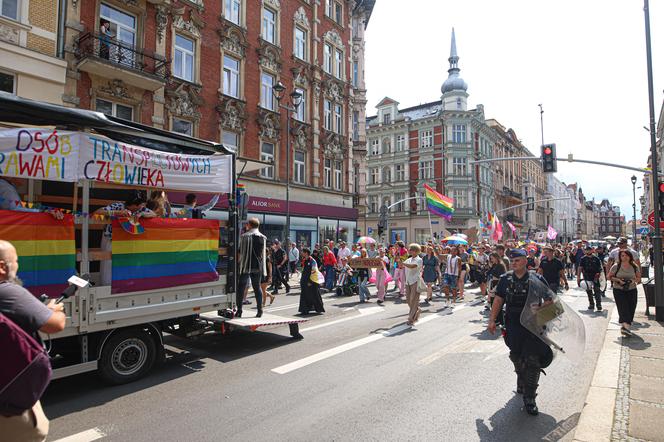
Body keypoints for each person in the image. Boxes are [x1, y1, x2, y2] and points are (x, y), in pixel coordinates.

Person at [0, 240, 66, 441]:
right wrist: (52, 311)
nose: (18, 265)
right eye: (16, 260)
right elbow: (55, 325)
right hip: (8, 407)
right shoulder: (8, 291)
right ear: (3, 267)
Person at [488, 248, 554, 416]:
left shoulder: (537, 279)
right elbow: (498, 299)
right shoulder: (505, 279)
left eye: (517, 260)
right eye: (512, 260)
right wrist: (492, 320)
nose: (513, 262)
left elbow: (550, 300)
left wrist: (540, 307)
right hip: (513, 324)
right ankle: (521, 377)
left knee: (532, 360)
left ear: (525, 261)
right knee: (516, 356)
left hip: (533, 325)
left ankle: (530, 397)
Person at [93, 191, 156, 286]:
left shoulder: (141, 209)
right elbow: (97, 212)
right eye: (140, 204)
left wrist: (144, 215)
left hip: (128, 240)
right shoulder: (118, 206)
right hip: (111, 239)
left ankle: (123, 285)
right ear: (134, 205)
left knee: (126, 263)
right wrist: (117, 212)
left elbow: (153, 214)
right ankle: (106, 285)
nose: (141, 206)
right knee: (108, 264)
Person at [236, 218, 267, 318]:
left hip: (245, 265)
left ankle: (239, 310)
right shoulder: (262, 237)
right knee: (257, 287)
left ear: (249, 225)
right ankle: (259, 310)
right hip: (257, 266)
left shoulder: (244, 237)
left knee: (241, 287)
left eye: (247, 224)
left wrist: (238, 263)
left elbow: (240, 253)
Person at [608, 250, 641, 336]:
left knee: (631, 308)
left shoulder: (634, 266)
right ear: (620, 257)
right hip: (619, 290)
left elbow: (638, 278)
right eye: (622, 256)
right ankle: (626, 327)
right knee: (623, 308)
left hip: (632, 289)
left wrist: (632, 281)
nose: (625, 257)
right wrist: (618, 280)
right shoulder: (616, 266)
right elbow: (609, 277)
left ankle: (625, 327)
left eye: (626, 255)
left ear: (630, 257)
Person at [298, 248, 325, 314]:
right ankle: (305, 309)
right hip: (304, 280)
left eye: (303, 252)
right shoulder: (304, 260)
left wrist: (311, 281)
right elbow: (303, 270)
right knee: (304, 295)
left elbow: (314, 272)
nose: (301, 253)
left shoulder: (313, 261)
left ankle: (319, 309)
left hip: (312, 281)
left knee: (315, 295)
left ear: (306, 253)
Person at [577, 246, 604, 311]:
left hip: (595, 277)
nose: (588, 251)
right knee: (589, 291)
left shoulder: (596, 258)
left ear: (592, 251)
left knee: (597, 291)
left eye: (589, 250)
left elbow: (600, 268)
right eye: (587, 250)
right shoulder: (583, 259)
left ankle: (599, 305)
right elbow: (580, 267)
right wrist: (578, 277)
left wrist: (598, 273)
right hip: (587, 276)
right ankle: (591, 304)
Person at [402, 243, 423, 326]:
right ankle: (417, 310)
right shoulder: (408, 259)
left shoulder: (419, 259)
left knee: (413, 299)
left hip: (415, 281)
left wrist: (403, 263)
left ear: (415, 251)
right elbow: (401, 265)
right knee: (408, 300)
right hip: (407, 281)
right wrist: (397, 258)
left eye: (410, 249)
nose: (409, 250)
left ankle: (411, 319)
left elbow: (412, 266)